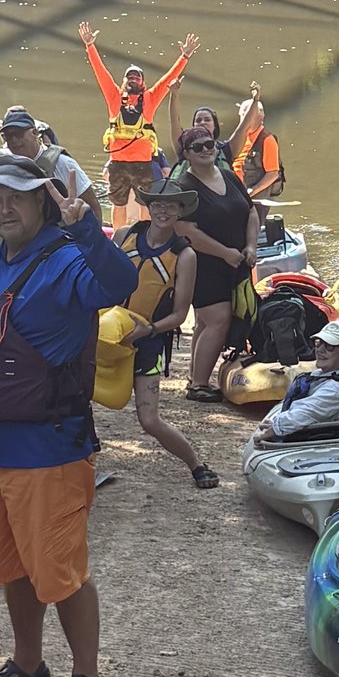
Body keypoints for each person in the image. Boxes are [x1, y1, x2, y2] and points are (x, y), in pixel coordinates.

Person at [0, 157, 139, 677]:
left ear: (42, 205)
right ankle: (28, 666)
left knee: (61, 571)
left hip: (50, 449)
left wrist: (86, 227)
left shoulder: (66, 258)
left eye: (18, 197)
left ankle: (87, 676)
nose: (5, 208)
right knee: (12, 568)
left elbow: (119, 285)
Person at [123, 179, 220, 490]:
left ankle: (196, 464)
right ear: (148, 207)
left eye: (170, 205)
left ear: (181, 211)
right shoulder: (126, 235)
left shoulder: (184, 255)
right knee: (77, 403)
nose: (162, 210)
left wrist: (148, 330)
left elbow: (180, 314)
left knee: (149, 420)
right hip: (109, 334)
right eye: (157, 204)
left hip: (148, 340)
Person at [80, 22, 197, 229]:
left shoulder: (150, 99)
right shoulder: (114, 97)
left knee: (145, 204)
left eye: (137, 77)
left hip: (143, 163)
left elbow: (168, 79)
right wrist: (90, 46)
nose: (133, 79)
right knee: (119, 204)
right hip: (118, 163)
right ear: (124, 81)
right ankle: (119, 238)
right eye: (130, 77)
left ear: (142, 82)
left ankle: (143, 237)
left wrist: (184, 57)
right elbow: (100, 72)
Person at [173, 107, 255, 399]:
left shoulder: (229, 176)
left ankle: (195, 376)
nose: (206, 150)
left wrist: (251, 245)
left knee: (206, 322)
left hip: (236, 261)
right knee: (218, 319)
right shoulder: (184, 187)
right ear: (187, 154)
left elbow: (251, 211)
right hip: (203, 265)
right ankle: (199, 385)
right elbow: (187, 231)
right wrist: (224, 253)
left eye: (209, 144)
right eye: (197, 147)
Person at [261, 325, 339, 436]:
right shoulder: (332, 374)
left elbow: (304, 413)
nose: (319, 349)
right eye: (318, 343)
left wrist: (275, 427)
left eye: (329, 346)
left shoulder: (334, 390)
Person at [0, 104, 93, 210]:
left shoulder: (63, 163)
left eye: (19, 134)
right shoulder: (5, 166)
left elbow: (93, 205)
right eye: (8, 136)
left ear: (35, 133)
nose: (14, 140)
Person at [229, 90, 286, 203]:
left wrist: (251, 192)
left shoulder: (267, 140)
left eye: (249, 116)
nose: (245, 120)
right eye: (243, 115)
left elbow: (273, 173)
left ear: (260, 118)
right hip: (236, 193)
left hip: (255, 199)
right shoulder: (238, 137)